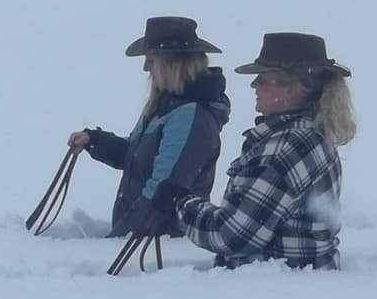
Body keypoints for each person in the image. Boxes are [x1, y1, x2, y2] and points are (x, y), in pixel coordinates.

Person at [142, 32, 356, 270]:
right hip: (293, 288)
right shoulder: (310, 135)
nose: (254, 85)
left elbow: (231, 235)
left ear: (292, 88)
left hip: (274, 292)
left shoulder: (284, 148)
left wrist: (180, 203)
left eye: (263, 78)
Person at [68, 16, 230, 237]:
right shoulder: (168, 107)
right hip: (146, 241)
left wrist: (121, 236)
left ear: (173, 63)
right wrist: (95, 140)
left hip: (157, 243)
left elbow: (162, 190)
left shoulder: (189, 115)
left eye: (151, 59)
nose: (145, 68)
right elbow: (139, 158)